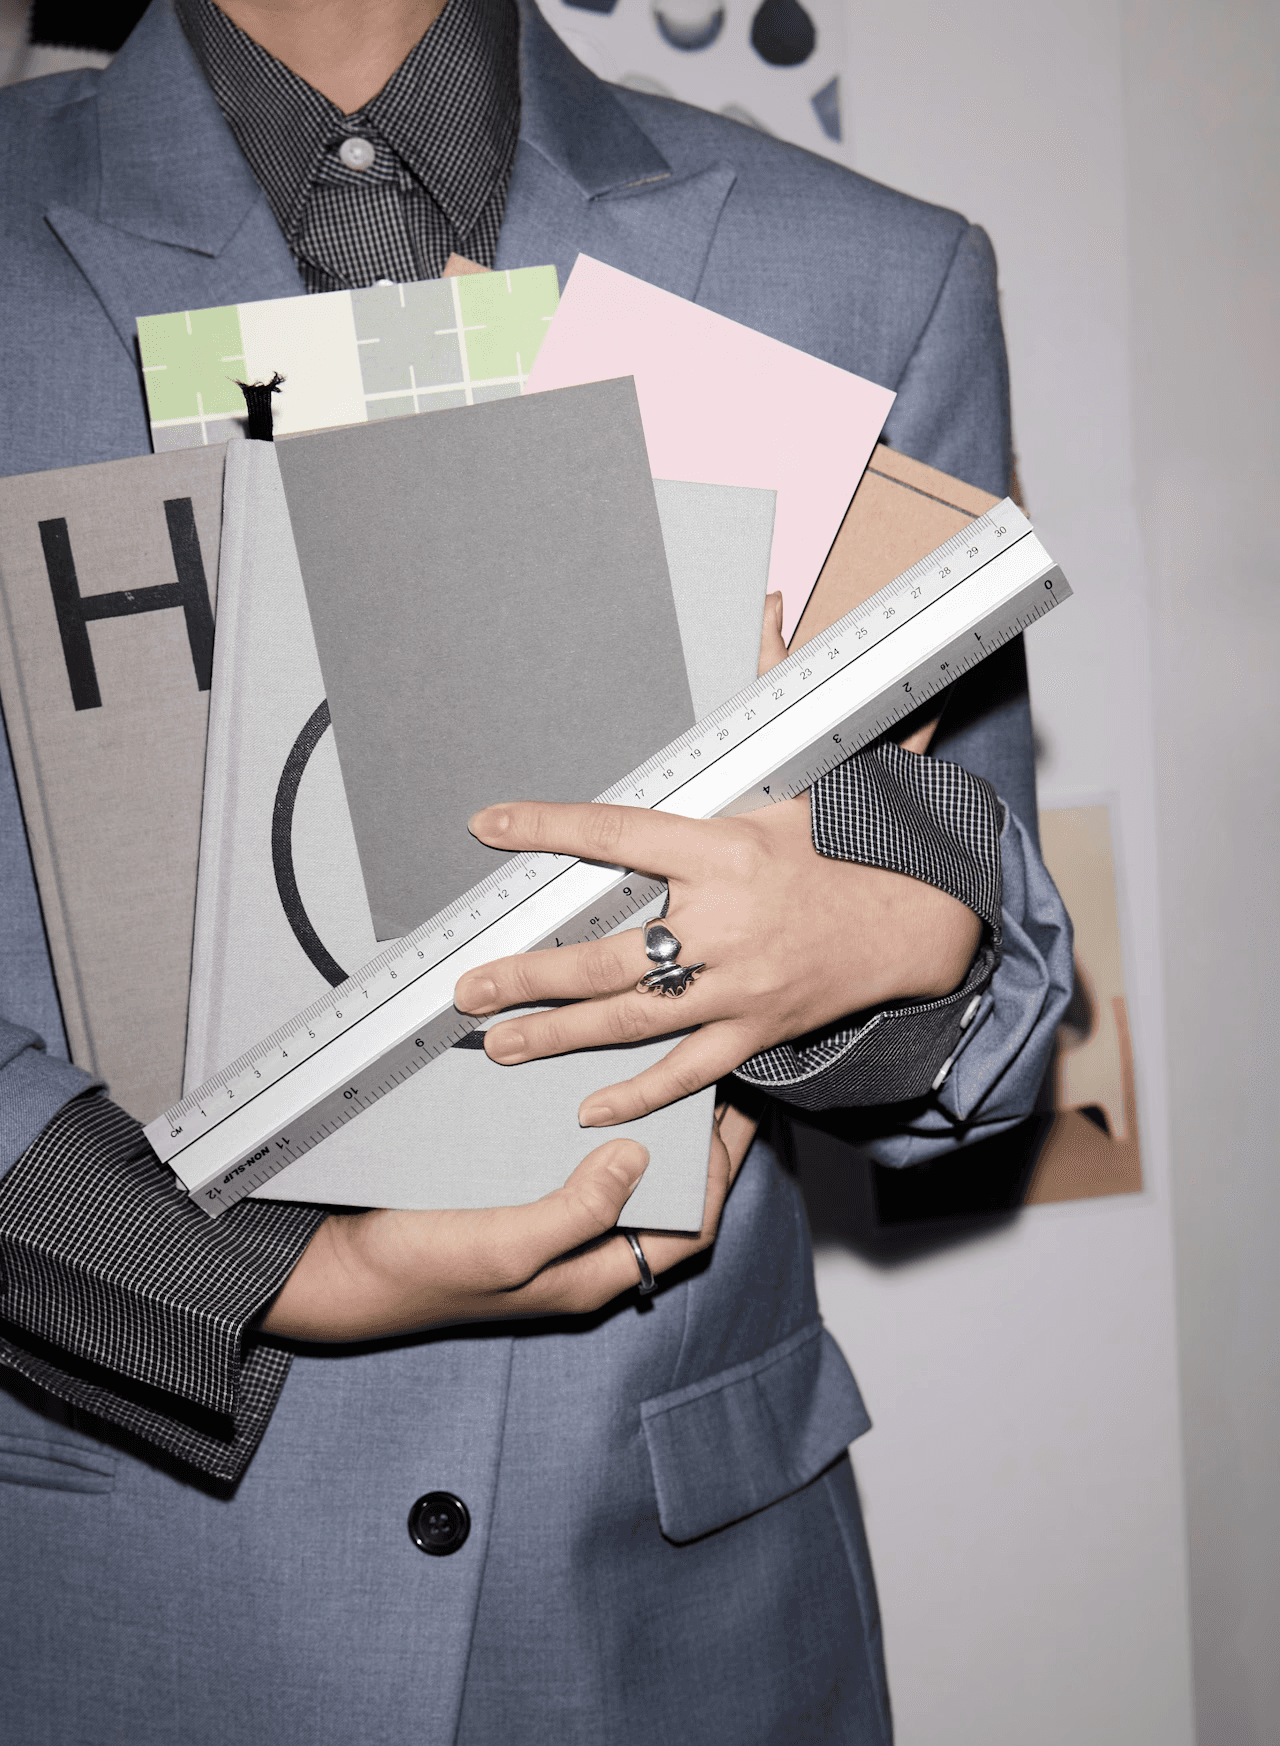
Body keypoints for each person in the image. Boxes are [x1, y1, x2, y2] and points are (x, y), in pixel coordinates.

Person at [0, 1, 1072, 1740]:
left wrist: (863, 948)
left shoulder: (865, 271)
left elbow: (995, 990)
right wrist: (267, 1271)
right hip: (111, 1609)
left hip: (678, 1633)